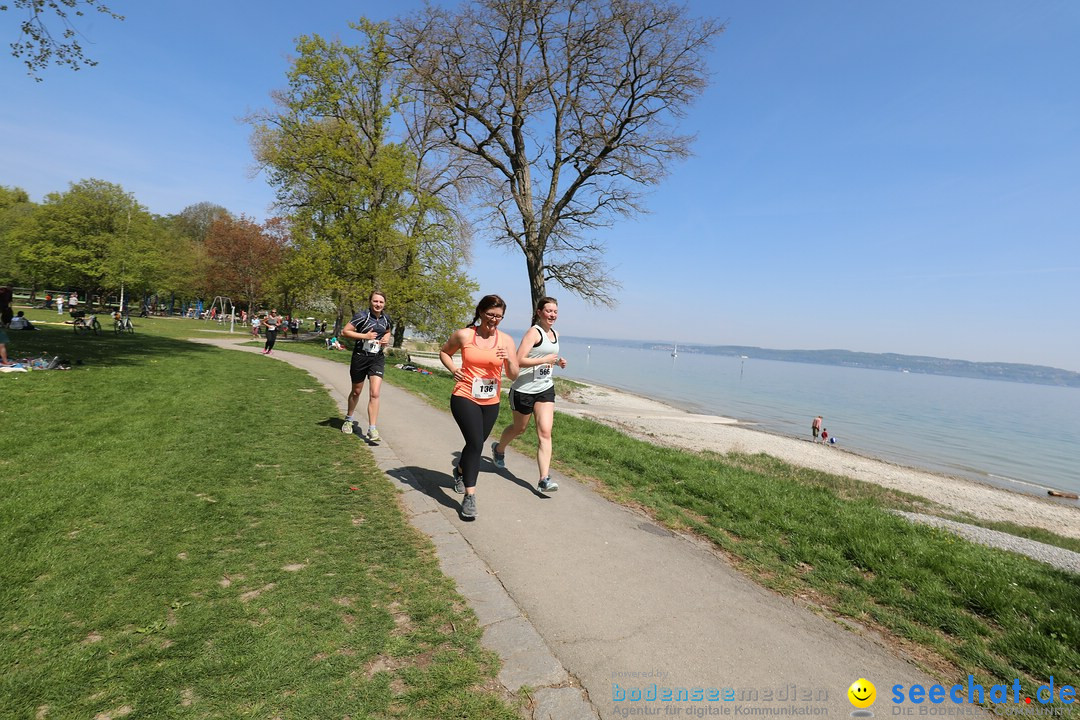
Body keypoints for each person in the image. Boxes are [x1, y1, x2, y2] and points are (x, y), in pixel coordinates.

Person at [440, 294, 520, 519]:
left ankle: (461, 471)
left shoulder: (506, 341)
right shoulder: (464, 335)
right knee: (476, 443)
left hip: (491, 401)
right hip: (465, 395)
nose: (494, 320)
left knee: (475, 444)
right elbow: (445, 352)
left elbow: (513, 375)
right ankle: (470, 496)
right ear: (481, 312)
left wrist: (509, 360)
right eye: (491, 315)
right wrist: (455, 370)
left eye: (499, 317)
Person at [490, 296, 567, 493]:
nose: (552, 315)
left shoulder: (555, 334)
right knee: (519, 428)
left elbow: (547, 357)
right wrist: (544, 360)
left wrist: (557, 362)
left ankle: (544, 479)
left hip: (545, 389)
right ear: (539, 313)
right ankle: (499, 449)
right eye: (549, 311)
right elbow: (518, 360)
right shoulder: (533, 333)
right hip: (523, 390)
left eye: (555, 312)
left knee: (545, 432)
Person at [340, 291, 393, 442]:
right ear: (370, 301)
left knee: (375, 393)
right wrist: (365, 336)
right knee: (356, 392)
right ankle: (349, 419)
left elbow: (388, 331)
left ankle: (372, 429)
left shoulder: (386, 318)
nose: (378, 304)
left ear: (384, 304)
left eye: (381, 302)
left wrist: (385, 339)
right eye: (375, 301)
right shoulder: (362, 316)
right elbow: (345, 331)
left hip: (377, 358)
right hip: (360, 357)